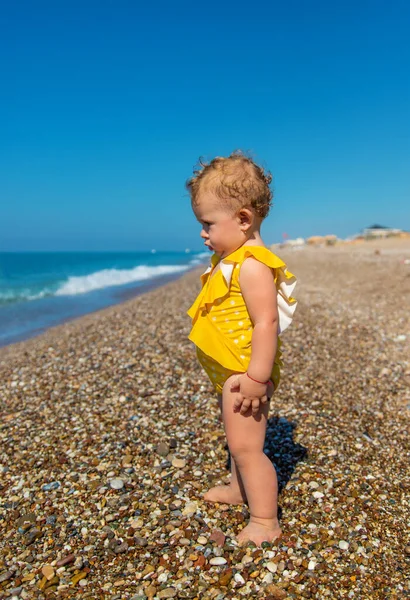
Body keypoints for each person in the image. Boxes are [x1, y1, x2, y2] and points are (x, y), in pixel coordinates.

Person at [186, 151, 297, 546]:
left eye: (208, 224)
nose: (203, 233)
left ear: (244, 220)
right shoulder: (231, 258)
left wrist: (256, 377)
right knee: (236, 442)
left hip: (248, 370)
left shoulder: (251, 265)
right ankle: (238, 490)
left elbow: (266, 323)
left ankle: (265, 520)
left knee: (248, 448)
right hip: (232, 370)